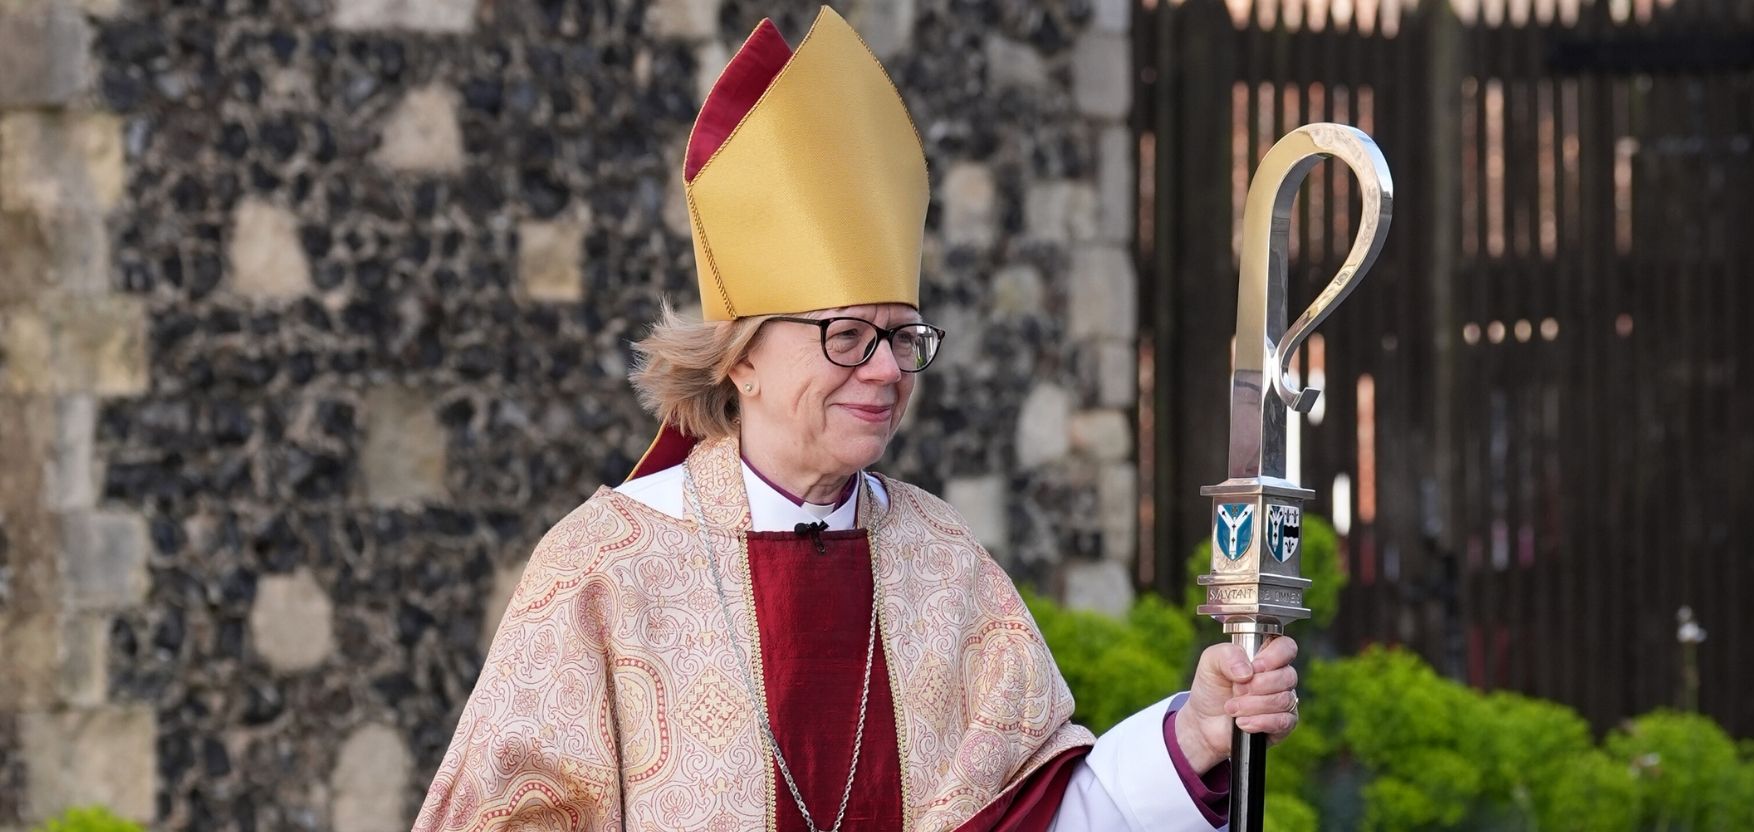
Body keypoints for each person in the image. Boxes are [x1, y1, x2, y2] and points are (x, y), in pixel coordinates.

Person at [412, 7, 1299, 831]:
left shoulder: (941, 566)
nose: (884, 370)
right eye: (846, 335)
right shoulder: (605, 570)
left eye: (902, 336)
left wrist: (1196, 736)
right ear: (742, 358)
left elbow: (1040, 818)